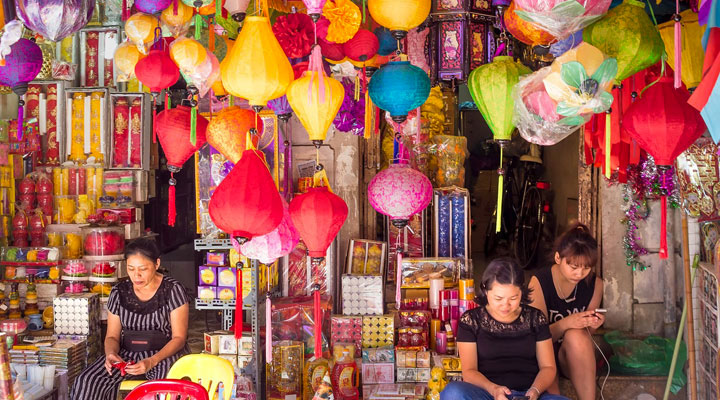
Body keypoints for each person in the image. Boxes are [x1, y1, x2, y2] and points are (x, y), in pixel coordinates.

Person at [71, 238, 190, 400]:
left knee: (161, 388)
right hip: (127, 355)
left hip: (164, 354)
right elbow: (112, 336)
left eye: (143, 269)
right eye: (131, 269)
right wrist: (111, 354)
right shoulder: (118, 292)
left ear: (157, 264)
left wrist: (152, 361)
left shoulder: (173, 290)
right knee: (86, 381)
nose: (136, 275)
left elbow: (179, 338)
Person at [440, 258, 568, 400]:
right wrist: (494, 389)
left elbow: (548, 367)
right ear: (485, 290)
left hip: (528, 394)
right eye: (498, 298)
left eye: (513, 298)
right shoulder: (471, 320)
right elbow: (469, 371)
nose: (505, 305)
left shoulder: (536, 318)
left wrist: (535, 391)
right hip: (488, 394)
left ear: (522, 292)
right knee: (453, 392)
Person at [528, 223, 604, 400]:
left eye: (586, 268)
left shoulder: (595, 284)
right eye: (573, 266)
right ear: (557, 258)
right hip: (543, 353)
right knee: (547, 353)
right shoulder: (539, 282)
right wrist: (566, 323)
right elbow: (535, 337)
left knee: (576, 336)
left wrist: (592, 324)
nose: (579, 273)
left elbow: (585, 336)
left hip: (573, 356)